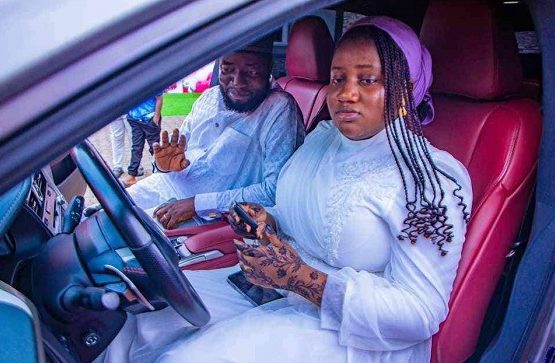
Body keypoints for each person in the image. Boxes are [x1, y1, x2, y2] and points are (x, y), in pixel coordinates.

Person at [99, 17, 472, 363]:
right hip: (273, 288)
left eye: (367, 80)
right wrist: (267, 220)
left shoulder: (428, 180)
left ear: (405, 89)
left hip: (355, 335)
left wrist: (301, 279)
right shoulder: (323, 140)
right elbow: (291, 208)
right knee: (138, 320)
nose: (346, 94)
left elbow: (420, 314)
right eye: (338, 79)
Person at [127, 36, 305, 228]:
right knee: (107, 211)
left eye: (251, 72)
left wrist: (198, 205)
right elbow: (177, 155)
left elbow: (273, 190)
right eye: (227, 70)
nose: (237, 82)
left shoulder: (279, 109)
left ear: (268, 69)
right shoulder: (209, 97)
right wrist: (164, 166)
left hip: (209, 215)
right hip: (163, 184)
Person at [123, 93, 163, 186]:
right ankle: (131, 175)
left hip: (150, 119)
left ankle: (161, 172)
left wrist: (156, 118)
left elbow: (159, 98)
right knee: (136, 147)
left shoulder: (151, 81)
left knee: (154, 147)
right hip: (135, 119)